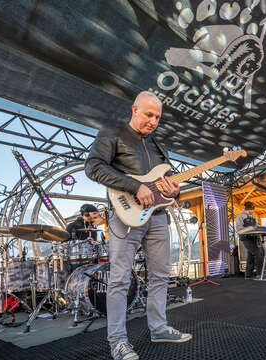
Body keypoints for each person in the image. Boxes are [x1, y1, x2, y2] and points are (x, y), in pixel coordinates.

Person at [85, 91, 191, 360]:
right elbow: (93, 167)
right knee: (119, 279)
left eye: (157, 117)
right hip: (125, 216)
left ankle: (158, 327)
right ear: (134, 109)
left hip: (157, 218)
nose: (153, 121)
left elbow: (166, 187)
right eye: (148, 114)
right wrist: (135, 186)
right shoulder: (113, 134)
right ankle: (118, 341)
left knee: (161, 276)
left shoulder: (158, 146)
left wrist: (175, 190)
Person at [235, 201, 263, 279]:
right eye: (252, 209)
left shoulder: (253, 217)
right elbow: (239, 228)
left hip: (253, 237)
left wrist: (259, 228)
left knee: (251, 256)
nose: (253, 211)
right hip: (245, 237)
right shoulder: (240, 216)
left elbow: (256, 226)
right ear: (249, 208)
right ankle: (259, 274)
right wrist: (249, 229)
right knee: (258, 253)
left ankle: (248, 275)